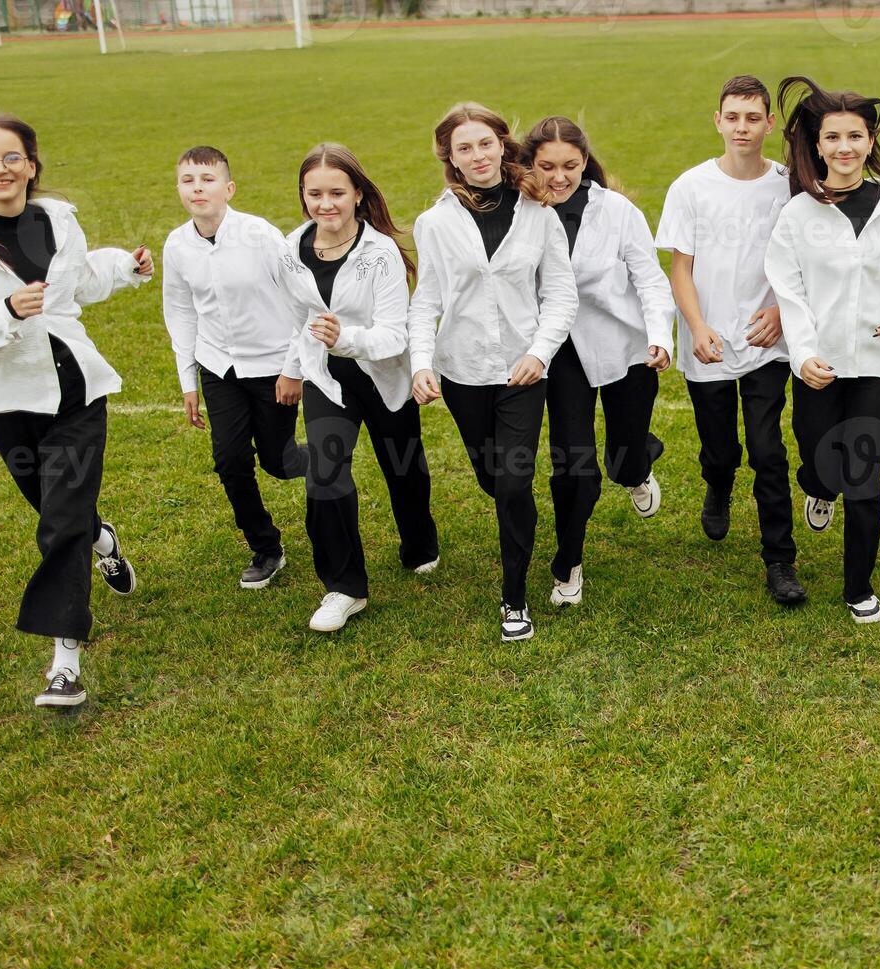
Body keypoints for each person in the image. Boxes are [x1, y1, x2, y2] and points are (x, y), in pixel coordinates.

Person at [0, 113, 147, 709]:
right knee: (65, 518)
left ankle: (64, 664)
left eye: (11, 157)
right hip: (7, 405)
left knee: (59, 525)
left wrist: (125, 268)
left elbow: (75, 284)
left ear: (31, 163)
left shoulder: (57, 219)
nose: (0, 169)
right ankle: (103, 540)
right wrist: (7, 312)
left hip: (76, 394)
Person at [408, 103, 577, 642]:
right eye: (464, 148)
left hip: (523, 372)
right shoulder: (434, 223)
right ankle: (511, 510)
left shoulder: (539, 212)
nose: (477, 156)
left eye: (485, 144)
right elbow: (425, 300)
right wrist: (421, 363)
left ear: (503, 146)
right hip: (462, 373)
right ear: (450, 159)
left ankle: (514, 600)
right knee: (492, 478)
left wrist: (540, 352)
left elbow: (560, 294)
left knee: (513, 486)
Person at [764, 76, 880, 624]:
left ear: (869, 139)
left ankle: (858, 587)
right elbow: (790, 292)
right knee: (818, 462)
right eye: (832, 137)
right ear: (817, 145)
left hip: (878, 365)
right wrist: (803, 353)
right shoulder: (798, 214)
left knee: (863, 474)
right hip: (819, 365)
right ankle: (818, 487)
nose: (844, 147)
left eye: (855, 136)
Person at [655, 74, 806, 607]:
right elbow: (680, 269)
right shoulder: (690, 187)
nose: (742, 127)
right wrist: (696, 327)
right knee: (721, 450)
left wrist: (782, 312)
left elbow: (806, 261)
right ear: (717, 121)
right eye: (732, 117)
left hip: (766, 338)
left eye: (752, 117)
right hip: (710, 339)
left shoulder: (790, 184)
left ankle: (780, 560)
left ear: (769, 123)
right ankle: (718, 482)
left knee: (768, 450)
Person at [278, 142, 440, 633]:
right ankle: (344, 587)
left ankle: (419, 543)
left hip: (383, 372)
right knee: (324, 476)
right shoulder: (290, 250)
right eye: (315, 194)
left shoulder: (381, 252)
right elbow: (297, 318)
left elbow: (395, 334)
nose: (325, 204)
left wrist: (344, 336)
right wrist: (292, 367)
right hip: (324, 375)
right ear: (303, 196)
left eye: (336, 193)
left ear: (357, 195)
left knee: (403, 465)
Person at [521, 116, 675, 608]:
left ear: (585, 162)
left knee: (625, 458)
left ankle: (636, 469)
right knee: (575, 466)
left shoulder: (618, 211)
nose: (559, 177)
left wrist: (659, 336)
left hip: (626, 348)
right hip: (560, 351)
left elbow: (650, 279)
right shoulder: (520, 213)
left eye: (570, 165)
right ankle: (568, 562)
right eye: (547, 167)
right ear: (530, 165)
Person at [161, 145, 307, 589]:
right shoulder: (177, 245)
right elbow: (181, 312)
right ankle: (266, 547)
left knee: (279, 463)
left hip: (272, 366)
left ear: (228, 188)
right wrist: (188, 381)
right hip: (218, 366)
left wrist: (293, 368)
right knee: (230, 460)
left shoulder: (260, 235)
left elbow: (301, 301)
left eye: (207, 180)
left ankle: (323, 460)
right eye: (188, 180)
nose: (197, 188)